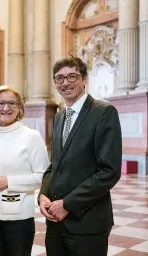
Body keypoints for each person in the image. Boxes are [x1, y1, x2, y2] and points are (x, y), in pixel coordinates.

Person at [38, 56, 122, 256]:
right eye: (59, 78)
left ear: (85, 79)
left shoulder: (103, 112)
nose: (65, 83)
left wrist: (68, 204)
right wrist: (43, 195)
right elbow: (54, 166)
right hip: (56, 223)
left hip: (87, 223)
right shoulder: (59, 117)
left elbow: (109, 171)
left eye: (72, 76)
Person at [0, 85, 50, 256]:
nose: (6, 108)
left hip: (19, 218)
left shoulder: (31, 136)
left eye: (11, 103)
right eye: (1, 103)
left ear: (20, 108)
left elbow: (44, 176)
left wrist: (9, 181)